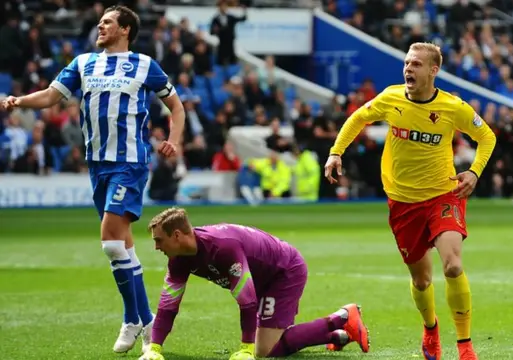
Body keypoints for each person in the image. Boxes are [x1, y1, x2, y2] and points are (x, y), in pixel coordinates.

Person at [1, 5, 186, 354]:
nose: (100, 26)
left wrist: (173, 138)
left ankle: (134, 318)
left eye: (108, 22)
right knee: (123, 245)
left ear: (126, 29)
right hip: (97, 166)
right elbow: (52, 96)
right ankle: (145, 322)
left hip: (129, 163)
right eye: (100, 22)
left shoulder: (145, 65)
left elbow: (176, 106)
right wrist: (19, 101)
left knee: (110, 242)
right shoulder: (84, 63)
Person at [324, 42, 497, 360]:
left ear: (434, 70)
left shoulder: (452, 107)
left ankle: (465, 346)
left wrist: (473, 172)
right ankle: (430, 329)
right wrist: (336, 152)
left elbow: (487, 136)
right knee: (421, 280)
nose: (408, 69)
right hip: (403, 202)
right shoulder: (390, 98)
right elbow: (357, 119)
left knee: (453, 265)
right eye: (406, 63)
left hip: (443, 195)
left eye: (416, 64)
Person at [140, 207, 369, 360]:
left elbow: (247, 302)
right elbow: (168, 305)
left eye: (159, 240)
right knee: (272, 343)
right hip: (262, 277)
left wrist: (245, 349)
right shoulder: (178, 259)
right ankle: (339, 334)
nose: (156, 247)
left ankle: (342, 317)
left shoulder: (222, 248)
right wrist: (155, 347)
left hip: (284, 270)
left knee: (263, 350)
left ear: (177, 236)